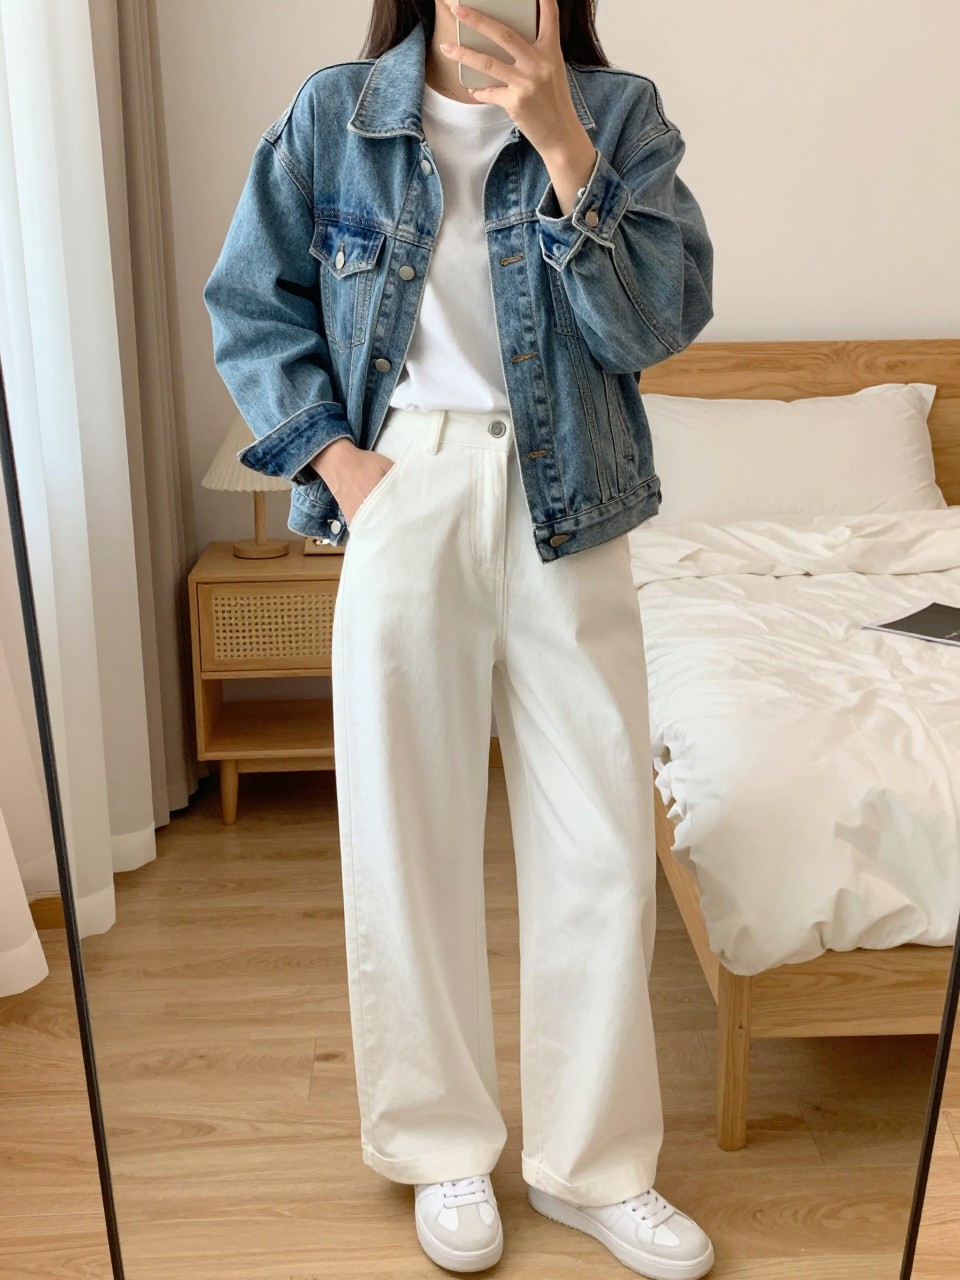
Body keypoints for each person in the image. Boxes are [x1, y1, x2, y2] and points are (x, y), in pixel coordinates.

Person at [203, 0, 715, 1274]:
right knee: (405, 834)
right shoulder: (336, 114)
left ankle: (597, 1167)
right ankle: (442, 1146)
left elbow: (653, 325)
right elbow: (250, 304)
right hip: (405, 486)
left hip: (573, 499)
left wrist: (564, 143)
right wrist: (342, 467)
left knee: (601, 842)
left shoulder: (619, 113)